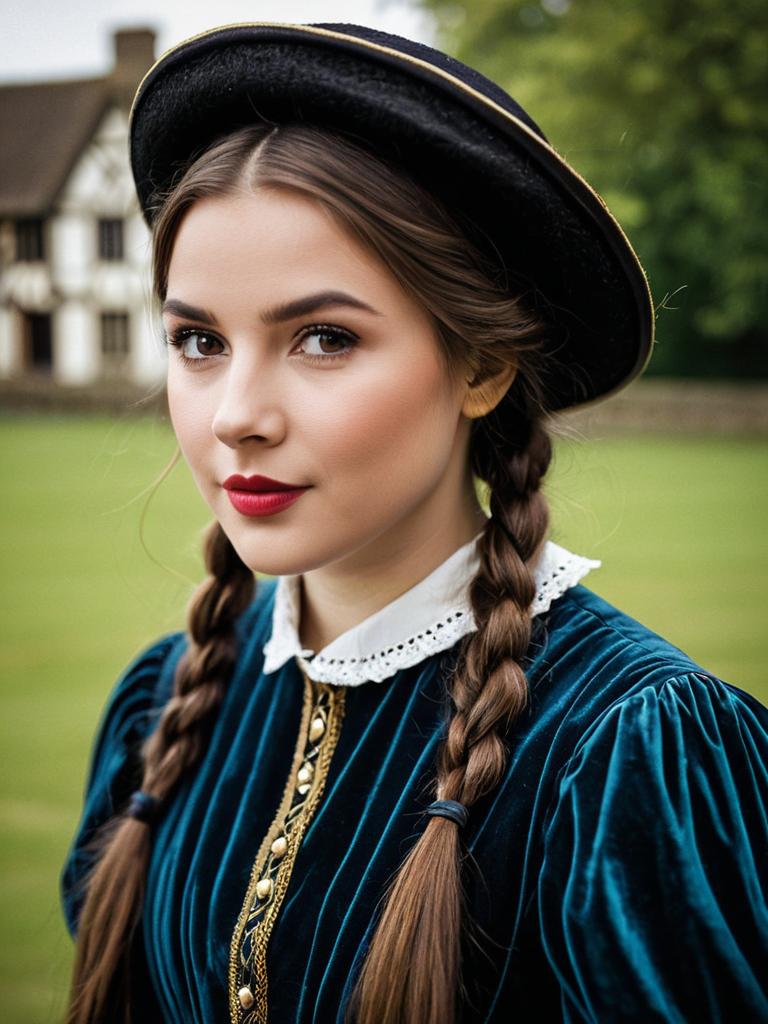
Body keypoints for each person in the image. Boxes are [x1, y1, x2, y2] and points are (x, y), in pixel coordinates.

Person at [61, 20, 768, 1024]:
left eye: (322, 337)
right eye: (199, 339)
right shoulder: (162, 711)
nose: (234, 416)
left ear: (480, 366)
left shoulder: (625, 749)